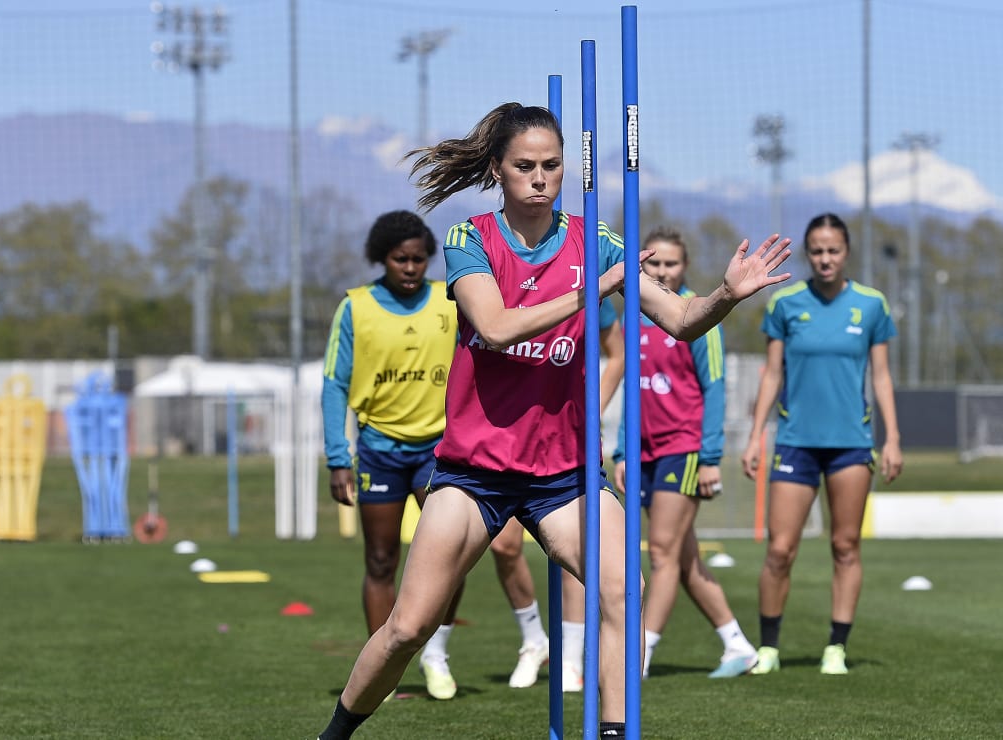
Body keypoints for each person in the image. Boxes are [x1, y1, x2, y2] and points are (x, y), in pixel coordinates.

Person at [315, 102, 791, 740]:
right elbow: (496, 326)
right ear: (498, 170)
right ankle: (337, 733)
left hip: (562, 475)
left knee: (622, 591)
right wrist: (595, 288)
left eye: (552, 165)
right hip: (472, 473)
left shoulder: (597, 242)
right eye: (524, 166)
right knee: (407, 627)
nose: (540, 177)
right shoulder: (470, 239)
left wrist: (726, 295)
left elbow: (681, 321)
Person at [322, 210, 560, 699]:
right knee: (381, 560)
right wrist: (336, 456)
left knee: (450, 560)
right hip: (380, 451)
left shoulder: (450, 296)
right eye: (399, 259)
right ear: (381, 259)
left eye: (418, 259)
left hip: (441, 451)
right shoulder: (356, 307)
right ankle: (382, 681)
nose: (410, 268)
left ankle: (436, 654)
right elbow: (333, 385)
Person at [740, 212, 903, 677]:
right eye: (817, 251)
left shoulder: (872, 305)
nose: (825, 259)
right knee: (779, 550)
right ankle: (769, 647)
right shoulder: (785, 303)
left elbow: (883, 377)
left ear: (846, 252)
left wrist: (892, 438)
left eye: (833, 250)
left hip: (851, 444)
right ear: (808, 253)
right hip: (794, 443)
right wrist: (756, 436)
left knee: (845, 545)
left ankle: (836, 647)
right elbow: (771, 375)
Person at [611, 227, 758, 680]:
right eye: (652, 264)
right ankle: (738, 644)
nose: (661, 271)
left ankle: (642, 651)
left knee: (661, 552)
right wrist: (620, 450)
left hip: (684, 449)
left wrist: (711, 457)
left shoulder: (695, 317)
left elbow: (714, 389)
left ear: (685, 266)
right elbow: (629, 392)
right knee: (684, 556)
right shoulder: (632, 316)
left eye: (670, 263)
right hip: (642, 454)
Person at [489, 299, 624, 691]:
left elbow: (616, 355)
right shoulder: (495, 277)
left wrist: (592, 410)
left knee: (577, 551)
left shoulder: (584, 280)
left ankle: (568, 657)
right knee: (504, 547)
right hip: (507, 439)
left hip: (568, 439)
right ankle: (534, 640)